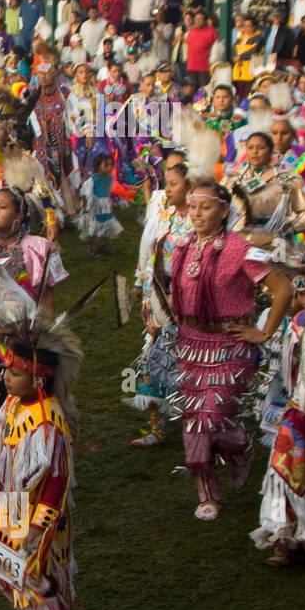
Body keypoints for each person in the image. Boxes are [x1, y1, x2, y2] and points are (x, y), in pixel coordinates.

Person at [170, 179, 292, 521]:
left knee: (212, 416)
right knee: (194, 422)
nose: (196, 213)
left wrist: (264, 332)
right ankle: (208, 494)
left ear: (224, 211)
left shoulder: (241, 248)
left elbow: (283, 288)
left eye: (204, 207)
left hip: (230, 345)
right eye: (192, 207)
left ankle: (241, 448)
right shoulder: (184, 247)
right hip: (190, 343)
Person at [0, 325, 80, 610]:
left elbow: (56, 481)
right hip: (12, 506)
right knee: (5, 570)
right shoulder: (13, 404)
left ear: (39, 379)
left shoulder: (48, 423)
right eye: (7, 369)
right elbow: (4, 449)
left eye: (16, 372)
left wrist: (39, 527)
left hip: (39, 515)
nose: (7, 377)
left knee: (36, 578)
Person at [251, 246, 305, 566]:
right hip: (299, 413)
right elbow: (289, 370)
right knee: (283, 474)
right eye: (304, 294)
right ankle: (287, 539)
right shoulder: (298, 322)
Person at [127, 158, 192, 448]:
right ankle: (157, 428)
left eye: (174, 184)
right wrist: (144, 291)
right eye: (167, 183)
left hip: (189, 303)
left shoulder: (199, 218)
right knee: (152, 361)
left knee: (188, 365)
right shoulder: (162, 216)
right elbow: (147, 251)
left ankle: (196, 427)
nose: (167, 190)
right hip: (160, 294)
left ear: (189, 187)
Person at [0, 187, 67, 312]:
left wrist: (44, 328)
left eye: (2, 207)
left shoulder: (39, 248)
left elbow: (47, 297)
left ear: (19, 215)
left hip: (26, 323)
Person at [78, 153, 123, 255]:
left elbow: (109, 191)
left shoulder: (109, 178)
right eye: (106, 165)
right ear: (98, 166)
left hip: (104, 208)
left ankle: (103, 246)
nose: (110, 167)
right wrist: (85, 207)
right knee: (92, 229)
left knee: (105, 227)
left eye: (111, 165)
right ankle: (90, 248)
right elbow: (84, 193)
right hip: (93, 208)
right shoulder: (92, 180)